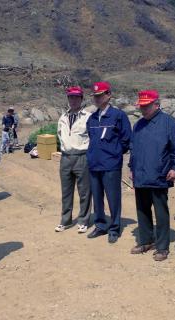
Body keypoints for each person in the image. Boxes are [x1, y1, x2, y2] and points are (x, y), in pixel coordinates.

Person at [129, 90, 175, 261]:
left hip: (160, 175)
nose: (143, 109)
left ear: (156, 104)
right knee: (142, 210)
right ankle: (146, 240)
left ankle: (162, 246)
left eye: (146, 106)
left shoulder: (169, 122)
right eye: (141, 106)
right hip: (141, 174)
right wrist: (132, 167)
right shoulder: (138, 125)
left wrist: (174, 167)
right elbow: (134, 149)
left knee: (161, 212)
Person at [86, 81, 131, 243]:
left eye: (100, 95)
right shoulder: (91, 118)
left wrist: (114, 153)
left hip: (111, 164)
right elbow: (92, 139)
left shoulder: (118, 116)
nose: (97, 99)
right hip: (94, 164)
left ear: (108, 95)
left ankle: (114, 227)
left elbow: (126, 139)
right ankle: (100, 225)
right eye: (95, 96)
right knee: (97, 198)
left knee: (113, 197)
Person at [55, 86, 92, 233]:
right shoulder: (63, 117)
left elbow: (92, 136)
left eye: (76, 97)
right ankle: (66, 220)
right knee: (66, 191)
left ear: (81, 99)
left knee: (84, 191)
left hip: (82, 157)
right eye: (70, 97)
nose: (73, 100)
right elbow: (60, 135)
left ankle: (83, 220)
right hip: (65, 157)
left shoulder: (87, 117)